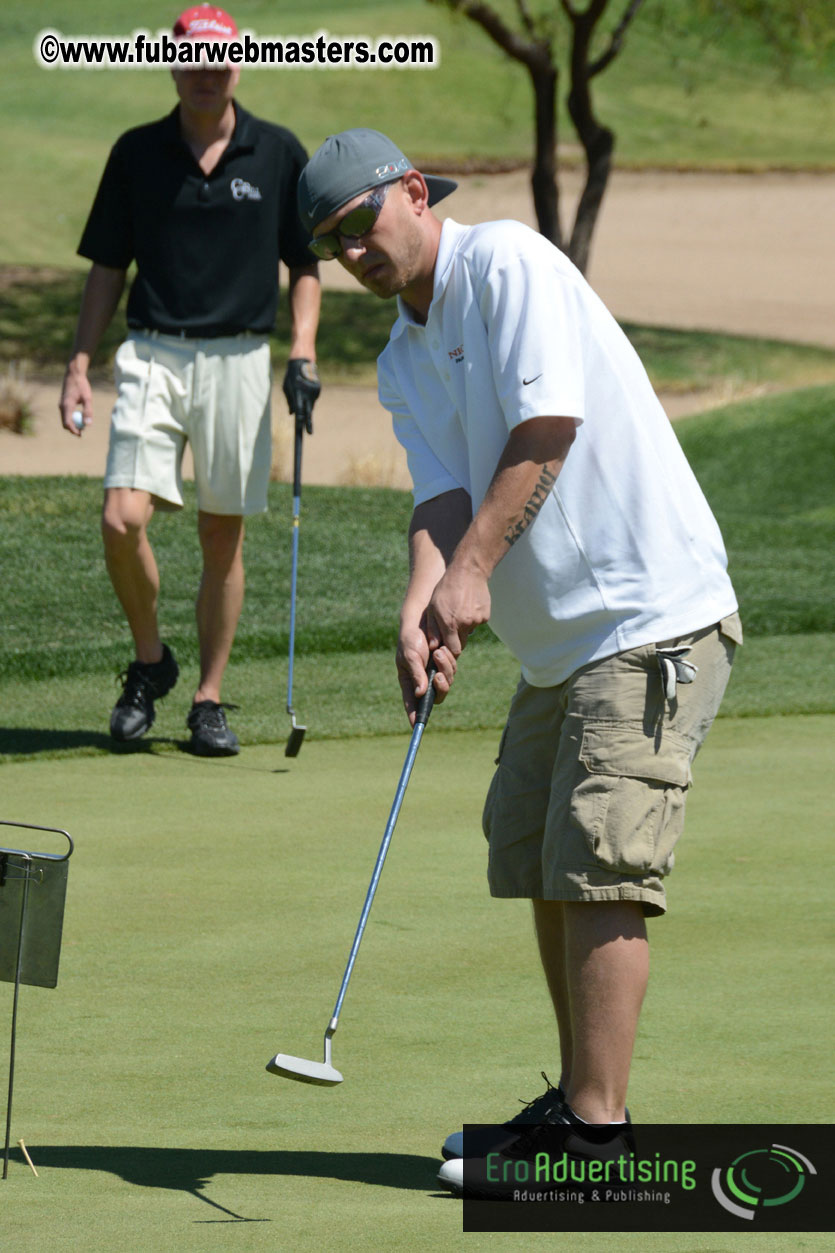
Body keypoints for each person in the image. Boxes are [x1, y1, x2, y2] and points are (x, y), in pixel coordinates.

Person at [297, 129, 743, 1190]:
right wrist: (422, 600)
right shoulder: (403, 353)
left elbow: (548, 426)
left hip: (647, 614)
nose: (353, 251)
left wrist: (474, 571)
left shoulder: (508, 265)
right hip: (562, 648)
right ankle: (581, 1098)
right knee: (543, 853)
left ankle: (595, 1132)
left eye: (361, 223)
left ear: (413, 192)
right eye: (329, 244)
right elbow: (443, 496)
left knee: (598, 859)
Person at [59, 4, 321, 756]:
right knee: (121, 518)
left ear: (237, 65)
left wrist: (301, 350)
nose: (207, 74)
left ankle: (208, 698)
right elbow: (108, 265)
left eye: (221, 61)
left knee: (220, 533)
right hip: (151, 351)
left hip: (240, 356)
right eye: (194, 61)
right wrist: (79, 362)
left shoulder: (275, 153)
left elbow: (305, 263)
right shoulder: (137, 152)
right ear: (173, 65)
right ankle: (151, 661)